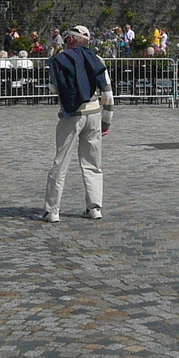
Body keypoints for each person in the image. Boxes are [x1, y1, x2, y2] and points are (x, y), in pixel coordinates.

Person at [42, 26, 113, 222]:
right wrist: (106, 122)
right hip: (94, 112)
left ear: (71, 40)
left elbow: (52, 89)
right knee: (92, 163)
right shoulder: (96, 60)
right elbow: (107, 92)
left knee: (61, 162)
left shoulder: (60, 60)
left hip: (71, 114)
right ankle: (95, 207)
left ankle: (53, 210)